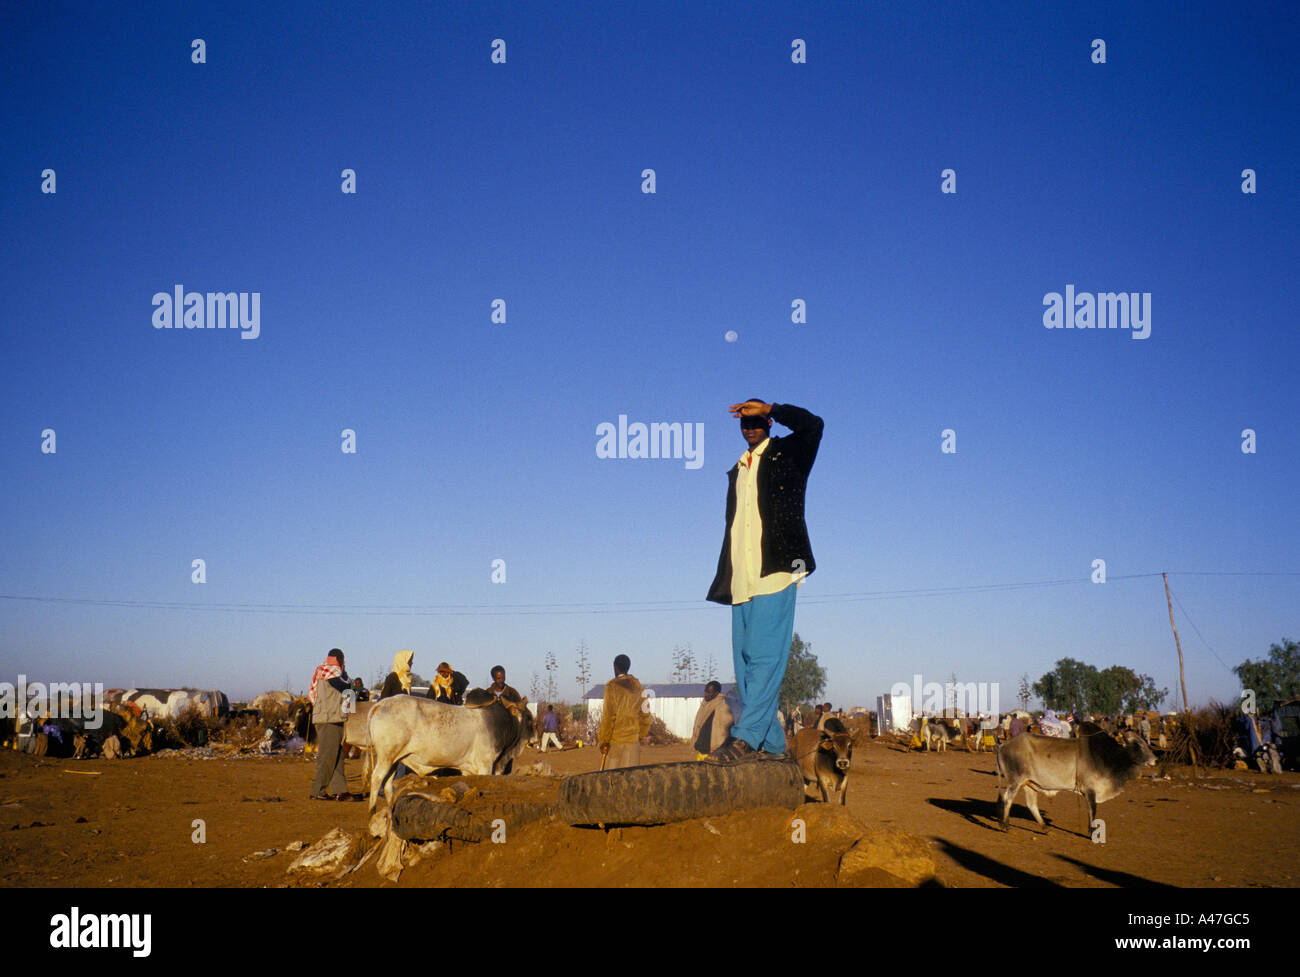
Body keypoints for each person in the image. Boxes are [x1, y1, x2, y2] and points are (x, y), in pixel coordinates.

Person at [705, 399, 823, 763]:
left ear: (769, 422)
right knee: (745, 667)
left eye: (757, 421)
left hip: (777, 570)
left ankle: (746, 738)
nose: (750, 428)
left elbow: (813, 425)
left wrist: (775, 406)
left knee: (764, 658)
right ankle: (772, 746)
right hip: (741, 577)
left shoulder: (789, 454)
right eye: (745, 423)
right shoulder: (738, 470)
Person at [308, 649, 361, 801]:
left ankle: (340, 791)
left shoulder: (322, 671)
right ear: (340, 660)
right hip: (329, 719)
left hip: (327, 718)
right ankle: (317, 791)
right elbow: (347, 690)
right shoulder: (334, 673)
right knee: (327, 757)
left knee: (336, 756)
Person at [598, 655, 651, 769]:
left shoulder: (611, 687)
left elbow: (608, 716)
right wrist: (639, 734)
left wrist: (604, 740)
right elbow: (645, 713)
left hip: (616, 742)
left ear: (615, 668)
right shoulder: (638, 686)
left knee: (612, 780)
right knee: (630, 781)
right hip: (633, 743)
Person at [692, 681, 734, 760]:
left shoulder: (723, 706)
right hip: (701, 750)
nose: (706, 694)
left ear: (717, 693)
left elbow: (724, 730)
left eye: (709, 692)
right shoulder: (705, 705)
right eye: (706, 691)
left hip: (713, 752)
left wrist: (719, 747)